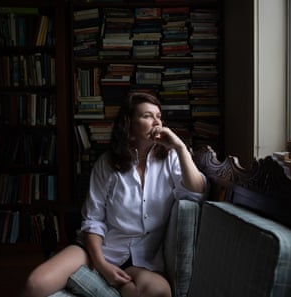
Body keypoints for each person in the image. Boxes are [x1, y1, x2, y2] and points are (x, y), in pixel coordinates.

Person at [22, 92, 207, 297]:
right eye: (147, 116)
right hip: (100, 250)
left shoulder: (171, 158)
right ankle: (104, 282)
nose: (157, 122)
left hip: (145, 259)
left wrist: (180, 147)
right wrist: (101, 265)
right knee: (35, 284)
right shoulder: (107, 163)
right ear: (129, 124)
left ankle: (104, 286)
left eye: (159, 116)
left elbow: (196, 191)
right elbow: (93, 219)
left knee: (160, 291)